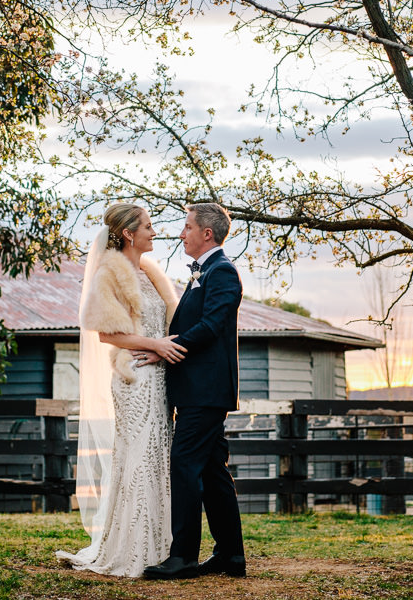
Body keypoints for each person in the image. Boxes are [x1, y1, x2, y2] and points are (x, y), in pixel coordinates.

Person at [56, 203, 184, 577]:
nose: (154, 232)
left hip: (160, 376)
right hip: (134, 377)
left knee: (159, 455)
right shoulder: (108, 274)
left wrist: (163, 349)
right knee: (139, 456)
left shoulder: (150, 273)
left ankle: (161, 545)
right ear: (128, 233)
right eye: (148, 226)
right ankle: (132, 548)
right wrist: (156, 345)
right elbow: (106, 333)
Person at [143, 203, 246, 580]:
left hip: (206, 391)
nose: (181, 233)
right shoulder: (204, 272)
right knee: (214, 473)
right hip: (198, 391)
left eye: (187, 227)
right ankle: (230, 556)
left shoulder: (222, 272)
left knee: (184, 467)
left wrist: (168, 347)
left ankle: (183, 556)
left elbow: (212, 325)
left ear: (207, 233)